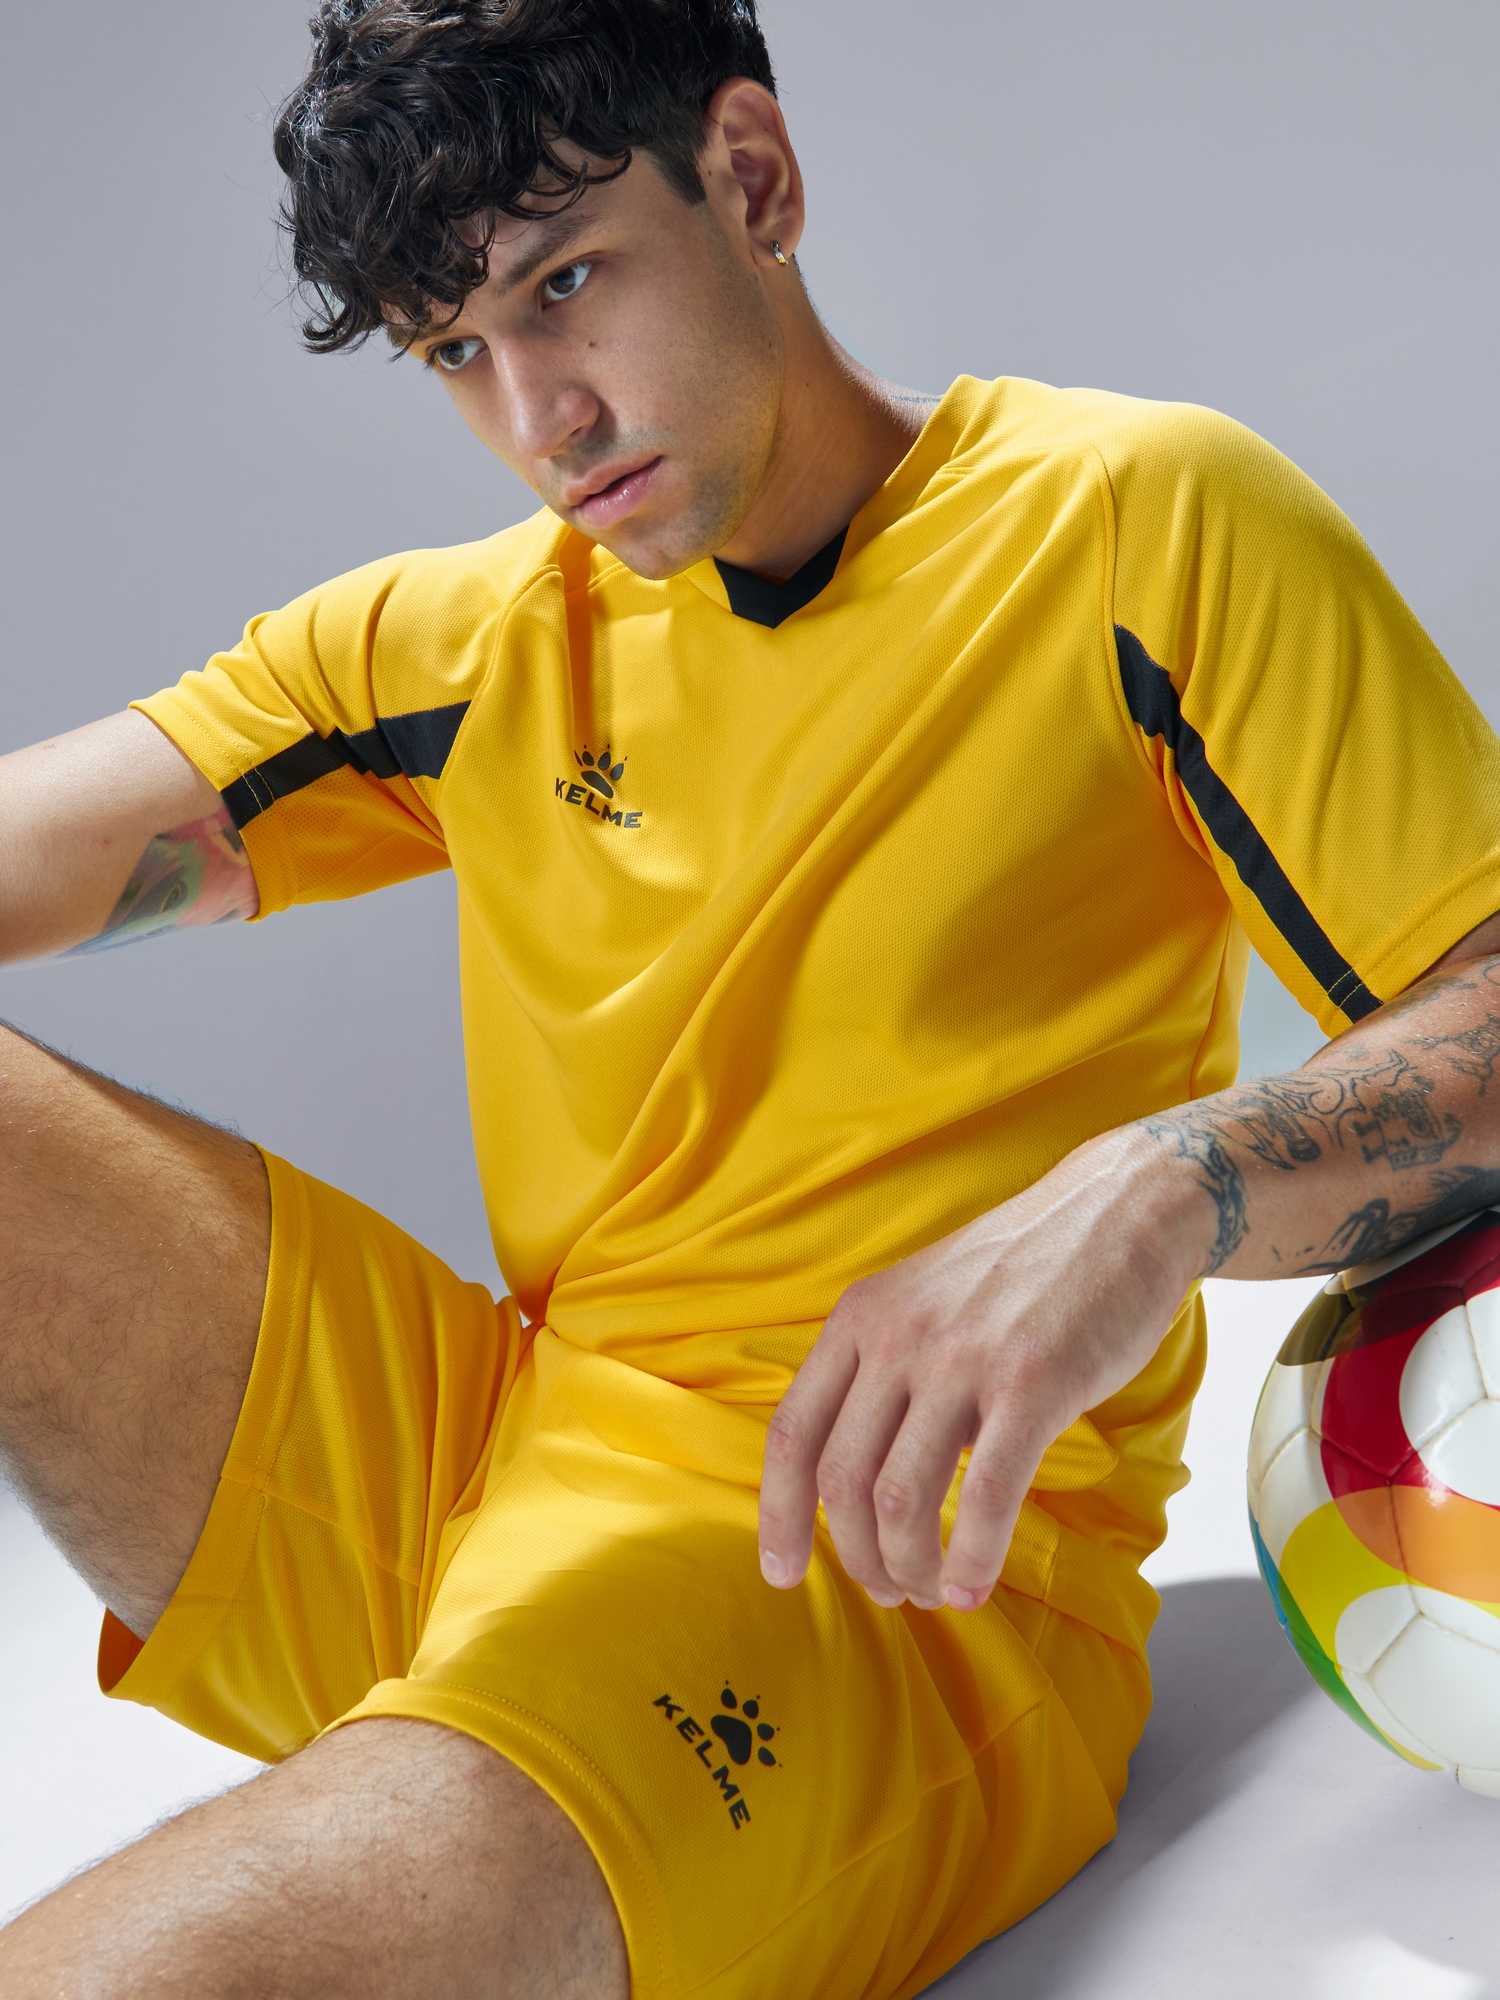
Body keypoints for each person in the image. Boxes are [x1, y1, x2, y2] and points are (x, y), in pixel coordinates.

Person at [3, 0, 1500, 1992]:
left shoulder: (1139, 523)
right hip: (476, 1457)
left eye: (566, 284)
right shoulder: (465, 640)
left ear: (752, 177)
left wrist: (1164, 1182)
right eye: (457, 350)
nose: (539, 417)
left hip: (872, 1575)